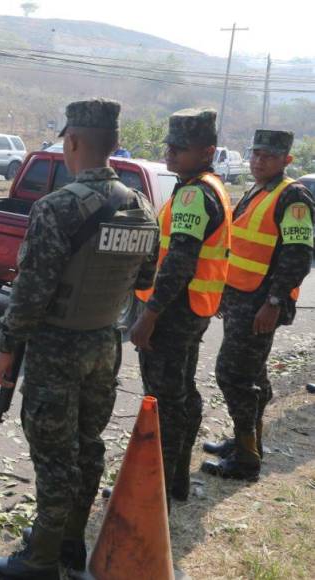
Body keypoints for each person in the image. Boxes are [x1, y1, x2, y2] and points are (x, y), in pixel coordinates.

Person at [0, 99, 158, 579]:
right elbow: (146, 276)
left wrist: (6, 347)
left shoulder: (56, 207)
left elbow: (31, 292)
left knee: (56, 458)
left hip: (57, 348)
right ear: (115, 144)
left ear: (73, 141)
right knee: (87, 446)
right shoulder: (143, 209)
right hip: (104, 345)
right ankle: (70, 545)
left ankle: (39, 561)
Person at [130, 109, 232, 503]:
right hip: (194, 310)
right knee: (182, 396)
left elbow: (179, 263)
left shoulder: (193, 194)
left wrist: (148, 316)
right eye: (169, 146)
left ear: (207, 150)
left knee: (162, 402)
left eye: (180, 148)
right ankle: (174, 481)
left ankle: (153, 486)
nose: (170, 154)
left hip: (172, 313)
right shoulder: (209, 186)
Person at [201, 130, 315, 481]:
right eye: (255, 154)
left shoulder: (293, 196)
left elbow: (298, 255)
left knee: (232, 375)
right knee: (254, 375)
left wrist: (275, 302)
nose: (258, 160)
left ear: (286, 160)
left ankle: (247, 461)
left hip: (261, 303)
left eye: (268, 155)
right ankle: (245, 441)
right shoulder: (257, 190)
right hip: (240, 296)